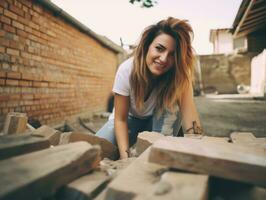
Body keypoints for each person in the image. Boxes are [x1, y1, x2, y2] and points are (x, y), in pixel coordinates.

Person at [96, 17, 203, 159]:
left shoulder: (180, 75)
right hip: (129, 119)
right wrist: (125, 157)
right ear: (147, 46)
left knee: (158, 157)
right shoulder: (127, 70)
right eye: (159, 48)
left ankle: (164, 147)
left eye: (172, 54)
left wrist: (199, 152)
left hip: (159, 118)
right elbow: (120, 119)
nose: (164, 59)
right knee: (96, 148)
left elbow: (190, 117)